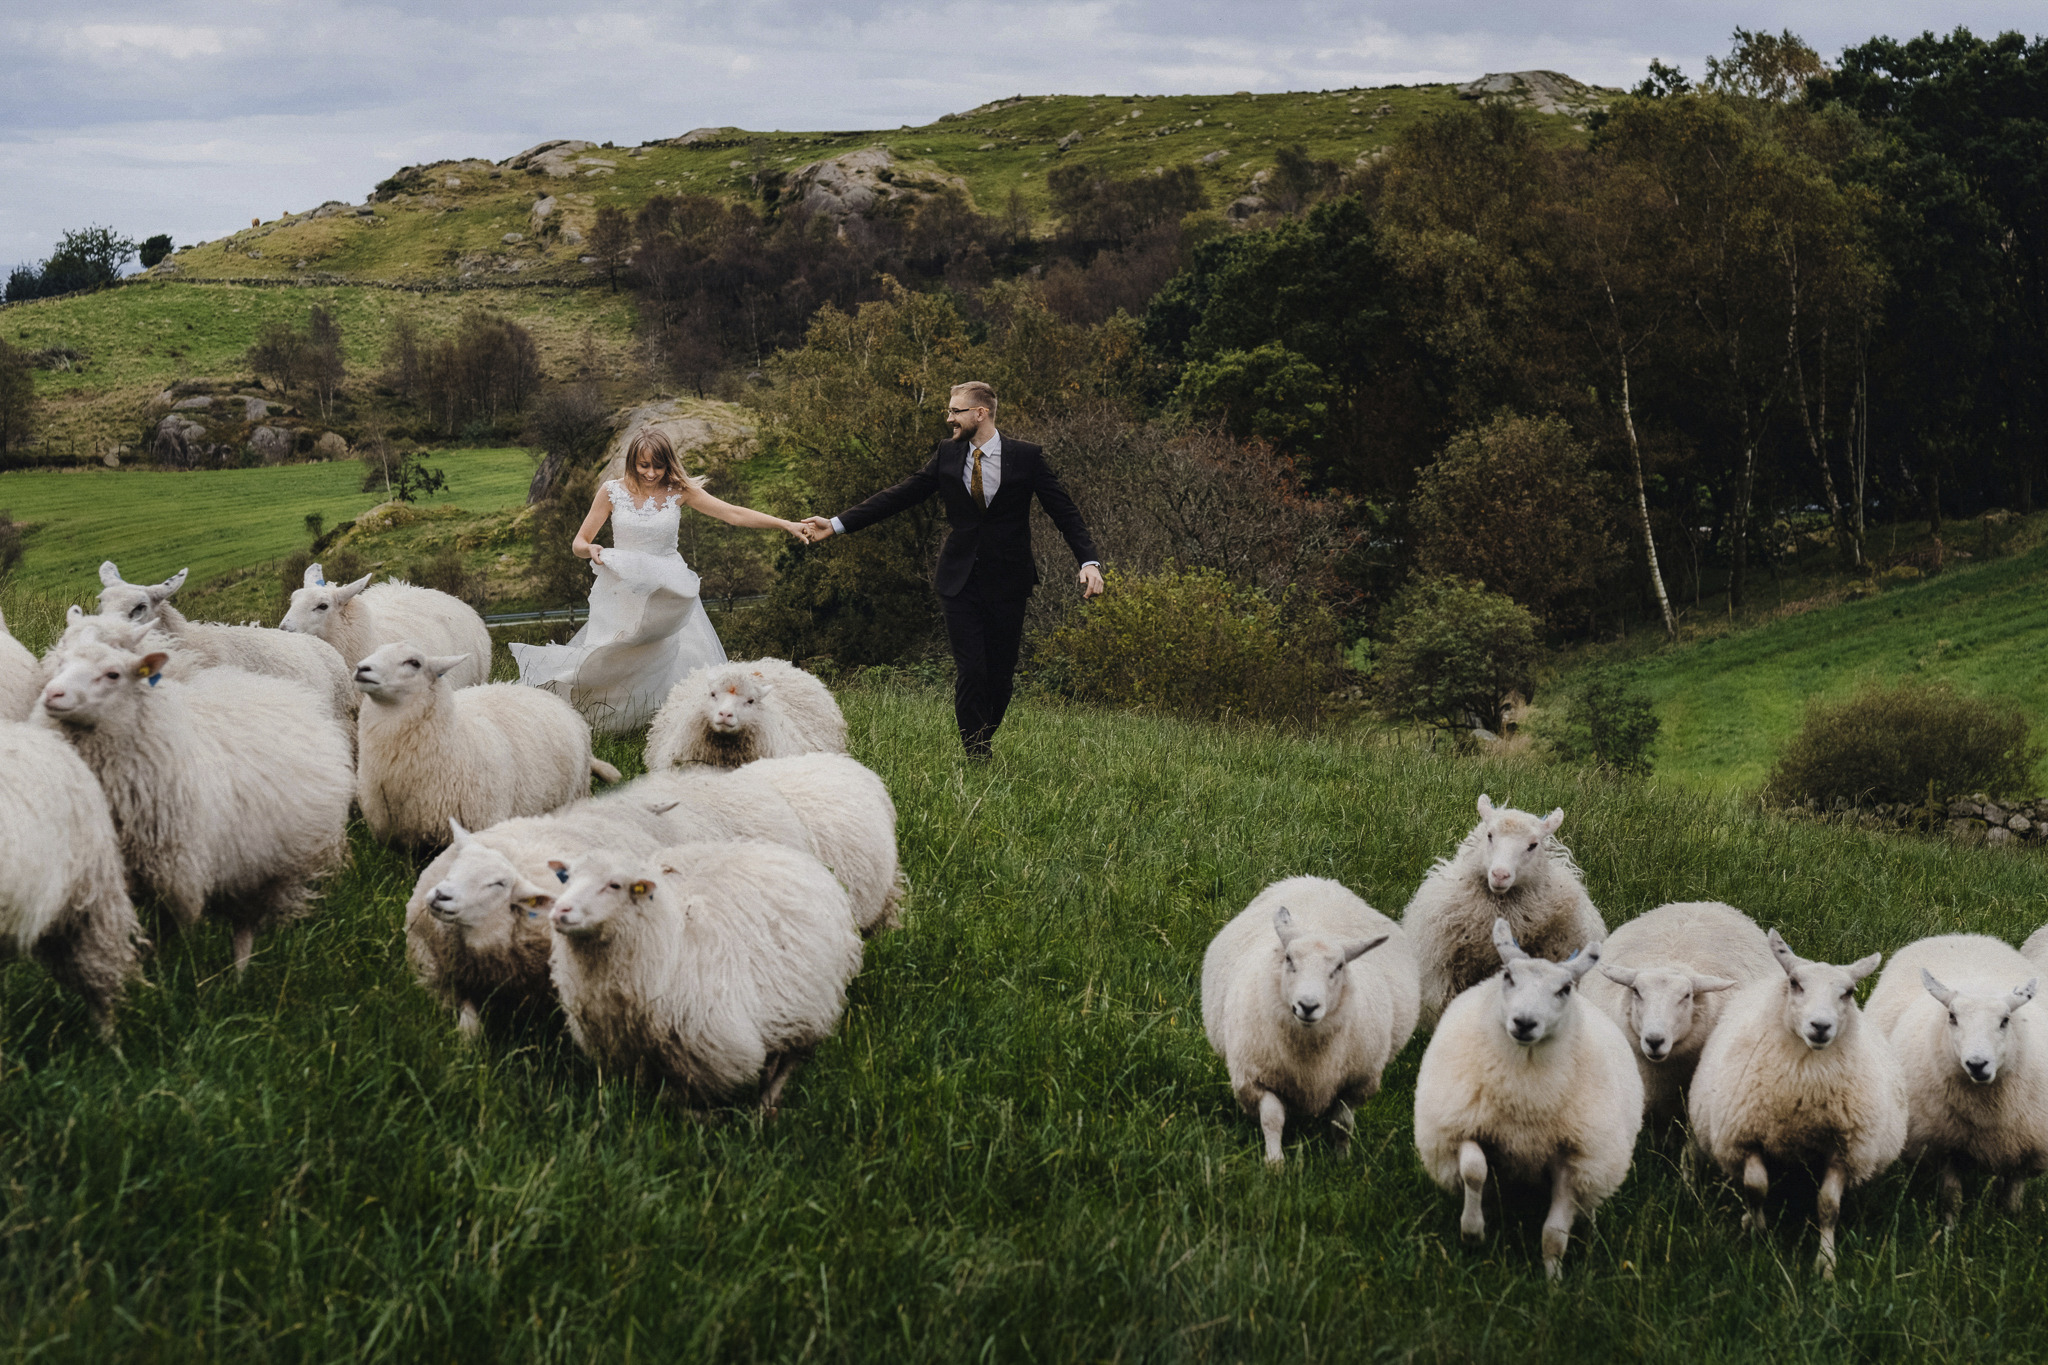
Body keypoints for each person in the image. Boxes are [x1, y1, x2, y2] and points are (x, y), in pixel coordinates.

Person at [802, 380, 1103, 759]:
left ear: (981, 413)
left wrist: (1088, 562)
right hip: (958, 580)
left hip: (1009, 581)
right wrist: (837, 523)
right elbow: (900, 494)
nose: (948, 419)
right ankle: (976, 753)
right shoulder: (947, 455)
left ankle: (983, 737)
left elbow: (1064, 511)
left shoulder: (1026, 458)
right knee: (971, 669)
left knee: (1000, 675)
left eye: (955, 411)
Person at [513, 429, 806, 731]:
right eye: (643, 466)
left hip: (669, 591)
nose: (651, 473)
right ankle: (601, 718)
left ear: (668, 464)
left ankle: (671, 723)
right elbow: (579, 543)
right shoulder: (611, 491)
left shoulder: (680, 491)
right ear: (632, 463)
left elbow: (733, 514)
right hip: (624, 589)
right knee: (617, 655)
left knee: (675, 658)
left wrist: (786, 525)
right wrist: (591, 549)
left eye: (658, 466)